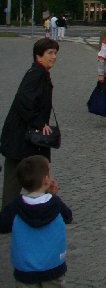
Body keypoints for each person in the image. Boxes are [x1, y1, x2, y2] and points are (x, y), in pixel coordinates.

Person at [0, 38, 60, 207]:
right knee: (16, 176)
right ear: (38, 56)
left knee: (39, 169)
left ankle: (48, 205)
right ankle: (8, 216)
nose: (54, 57)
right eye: (50, 53)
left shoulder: (40, 73)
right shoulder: (36, 75)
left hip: (26, 136)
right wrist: (40, 124)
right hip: (20, 136)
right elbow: (24, 102)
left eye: (55, 53)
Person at [0, 155, 73, 287]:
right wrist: (52, 195)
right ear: (46, 180)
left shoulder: (16, 206)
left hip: (25, 269)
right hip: (53, 266)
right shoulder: (55, 203)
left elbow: (3, 225)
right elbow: (68, 217)